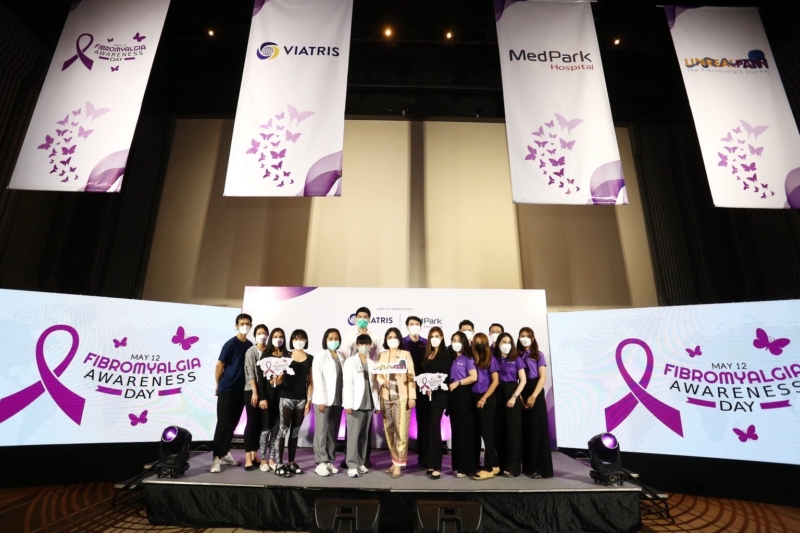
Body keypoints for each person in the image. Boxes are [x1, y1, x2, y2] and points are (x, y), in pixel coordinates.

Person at [210, 313, 253, 473]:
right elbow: (219, 365)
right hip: (227, 389)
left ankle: (225, 452)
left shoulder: (250, 345)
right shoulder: (230, 344)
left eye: (247, 323)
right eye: (242, 323)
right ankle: (216, 458)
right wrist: (218, 385)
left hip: (241, 391)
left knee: (233, 425)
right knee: (222, 424)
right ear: (236, 326)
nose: (245, 326)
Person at [340, 306, 379, 468]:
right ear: (355, 318)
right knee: (352, 430)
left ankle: (363, 460)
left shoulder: (375, 337)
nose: (362, 319)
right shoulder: (349, 337)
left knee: (365, 431)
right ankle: (350, 461)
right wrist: (347, 402)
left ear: (369, 319)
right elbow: (343, 357)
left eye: (365, 317)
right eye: (360, 316)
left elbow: (378, 358)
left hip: (369, 389)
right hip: (354, 387)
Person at [375, 327, 417, 478]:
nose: (392, 339)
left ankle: (399, 463)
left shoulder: (405, 354)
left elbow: (411, 377)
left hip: (402, 397)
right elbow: (377, 373)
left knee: (401, 430)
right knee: (389, 429)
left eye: (395, 337)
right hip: (386, 396)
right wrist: (382, 381)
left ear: (399, 339)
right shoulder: (382, 355)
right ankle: (394, 459)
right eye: (389, 337)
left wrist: (412, 397)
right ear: (386, 340)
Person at [274, 329, 314, 477]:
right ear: (291, 340)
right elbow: (279, 379)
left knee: (295, 432)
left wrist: (309, 400)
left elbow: (310, 382)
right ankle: (279, 464)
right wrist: (277, 380)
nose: (299, 341)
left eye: (302, 338)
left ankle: (291, 462)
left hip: (301, 400)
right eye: (296, 338)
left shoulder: (310, 358)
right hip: (286, 398)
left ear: (306, 341)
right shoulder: (286, 356)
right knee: (283, 430)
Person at [518, 328, 554, 479]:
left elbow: (543, 377)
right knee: (526, 429)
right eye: (522, 336)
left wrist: (533, 396)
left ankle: (540, 468)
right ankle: (528, 466)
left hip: (535, 390)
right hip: (522, 390)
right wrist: (519, 396)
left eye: (528, 336)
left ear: (532, 338)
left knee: (537, 429)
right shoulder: (517, 355)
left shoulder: (538, 355)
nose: (525, 338)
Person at [416, 326, 451, 480]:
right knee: (428, 429)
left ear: (442, 337)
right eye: (432, 336)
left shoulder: (445, 354)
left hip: (439, 395)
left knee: (435, 428)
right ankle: (430, 463)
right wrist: (425, 386)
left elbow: (445, 374)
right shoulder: (427, 353)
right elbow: (423, 374)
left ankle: (437, 466)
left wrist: (433, 386)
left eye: (437, 336)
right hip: (425, 395)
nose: (434, 338)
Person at [312, 328, 346, 477]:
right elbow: (317, 378)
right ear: (325, 340)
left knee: (333, 432)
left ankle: (330, 461)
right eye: (330, 338)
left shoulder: (342, 356)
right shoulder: (321, 355)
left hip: (338, 399)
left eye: (336, 338)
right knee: (321, 431)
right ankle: (320, 462)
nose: (333, 341)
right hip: (323, 400)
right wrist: (321, 400)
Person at [495, 332, 527, 478]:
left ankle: (513, 467)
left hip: (512, 393)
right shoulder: (494, 359)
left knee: (513, 431)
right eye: (504, 342)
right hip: (497, 394)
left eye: (509, 342)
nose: (506, 344)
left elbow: (523, 380)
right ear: (498, 344)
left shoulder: (517, 359)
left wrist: (514, 396)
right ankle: (501, 465)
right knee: (499, 430)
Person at [257, 328, 289, 473]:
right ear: (271, 338)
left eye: (281, 336)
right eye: (276, 336)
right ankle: (263, 459)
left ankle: (271, 458)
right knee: (265, 430)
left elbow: (291, 377)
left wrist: (283, 380)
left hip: (282, 398)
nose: (278, 339)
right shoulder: (265, 355)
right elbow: (260, 379)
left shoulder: (287, 356)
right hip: (268, 398)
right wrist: (263, 397)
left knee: (276, 430)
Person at [448, 330, 478, 478]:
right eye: (454, 340)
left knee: (464, 432)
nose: (456, 343)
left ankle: (466, 467)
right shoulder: (453, 358)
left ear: (464, 342)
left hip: (464, 395)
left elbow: (473, 377)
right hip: (454, 397)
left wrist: (458, 383)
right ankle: (458, 465)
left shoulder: (468, 358)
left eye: (459, 340)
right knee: (457, 431)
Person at [471, 332, 500, 480]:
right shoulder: (473, 359)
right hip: (475, 397)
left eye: (481, 342)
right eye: (476, 343)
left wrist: (484, 398)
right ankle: (494, 465)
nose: (479, 345)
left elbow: (495, 381)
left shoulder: (491, 359)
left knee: (487, 433)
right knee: (482, 432)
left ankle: (488, 468)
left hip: (486, 398)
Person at [243, 324, 269, 471]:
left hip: (265, 392)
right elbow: (250, 373)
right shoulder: (251, 351)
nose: (262, 336)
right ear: (255, 336)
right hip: (251, 390)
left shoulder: (269, 351)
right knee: (251, 422)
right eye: (259, 333)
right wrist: (255, 392)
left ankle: (254, 454)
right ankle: (247, 457)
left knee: (260, 424)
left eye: (264, 333)